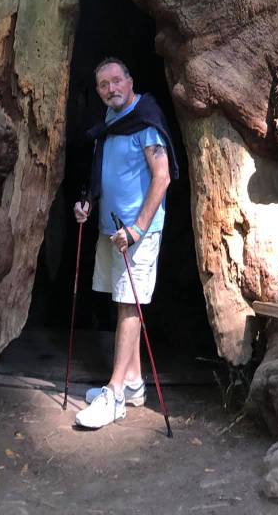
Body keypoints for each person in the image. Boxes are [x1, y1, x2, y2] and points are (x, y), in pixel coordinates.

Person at [73, 58, 178, 429]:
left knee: (130, 305)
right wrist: (89, 202)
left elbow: (162, 177)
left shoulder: (145, 120)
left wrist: (137, 229)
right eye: (104, 84)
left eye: (117, 81)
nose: (111, 89)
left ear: (130, 82)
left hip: (137, 232)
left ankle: (115, 393)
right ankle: (133, 384)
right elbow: (105, 172)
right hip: (111, 229)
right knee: (122, 302)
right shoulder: (111, 121)